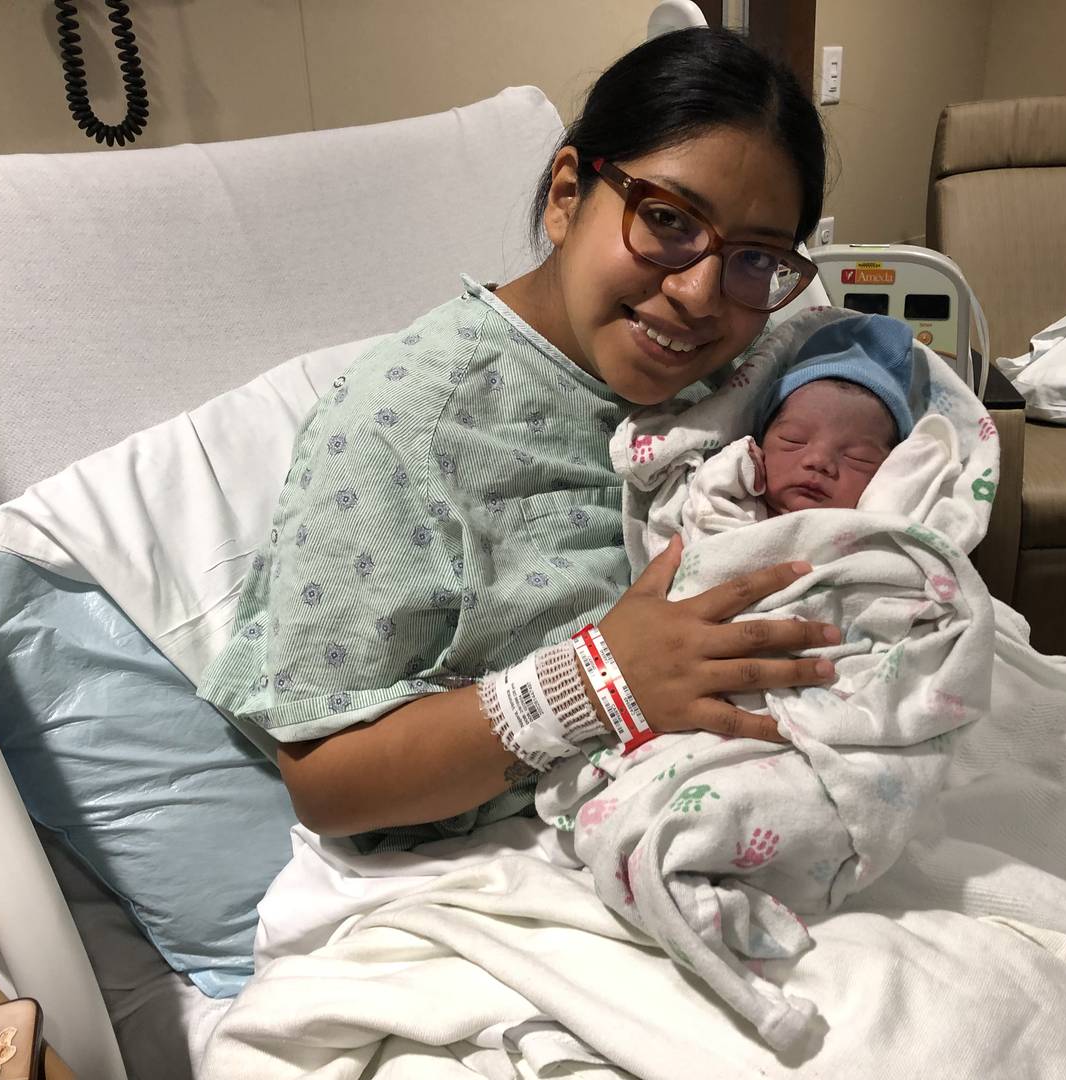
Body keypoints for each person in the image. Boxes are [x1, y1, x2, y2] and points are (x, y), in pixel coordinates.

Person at [196, 26, 840, 852]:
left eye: (756, 260)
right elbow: (328, 783)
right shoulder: (409, 427)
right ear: (567, 195)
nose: (701, 294)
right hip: (542, 858)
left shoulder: (762, 368)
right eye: (669, 221)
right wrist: (601, 683)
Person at [676, 313, 916, 541]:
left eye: (857, 458)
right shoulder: (729, 501)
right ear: (760, 443)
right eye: (794, 440)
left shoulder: (883, 531)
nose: (819, 461)